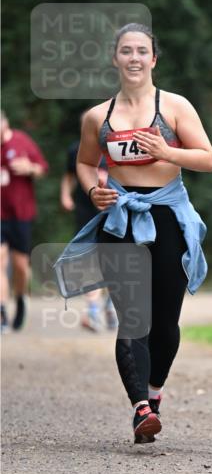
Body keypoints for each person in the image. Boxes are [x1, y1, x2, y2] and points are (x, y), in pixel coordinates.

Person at [58, 24, 212, 444]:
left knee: (165, 322)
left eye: (141, 51)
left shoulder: (176, 107)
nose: (133, 58)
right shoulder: (98, 116)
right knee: (132, 317)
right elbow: (86, 162)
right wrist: (94, 190)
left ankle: (154, 391)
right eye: (125, 51)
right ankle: (140, 410)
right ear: (115, 59)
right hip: (122, 220)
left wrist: (167, 152)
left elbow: (207, 159)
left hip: (169, 218)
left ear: (153, 59)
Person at [60, 123, 116, 332]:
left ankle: (111, 306)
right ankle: (93, 309)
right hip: (86, 210)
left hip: (114, 210)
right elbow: (69, 176)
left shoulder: (118, 146)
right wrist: (65, 195)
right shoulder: (76, 149)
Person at [1, 110, 49, 332]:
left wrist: (29, 168)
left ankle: (20, 299)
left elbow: (42, 168)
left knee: (20, 266)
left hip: (21, 213)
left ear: (5, 123)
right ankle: (2, 310)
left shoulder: (21, 141)